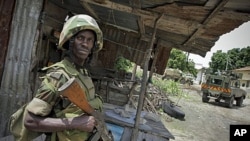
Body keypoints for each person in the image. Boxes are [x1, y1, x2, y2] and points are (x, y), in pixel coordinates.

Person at [24, 14, 104, 141]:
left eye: (90, 40)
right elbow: (30, 121)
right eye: (80, 38)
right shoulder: (59, 75)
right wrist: (76, 123)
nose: (85, 44)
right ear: (70, 42)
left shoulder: (84, 74)